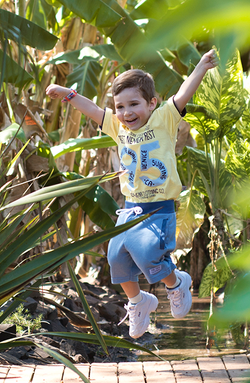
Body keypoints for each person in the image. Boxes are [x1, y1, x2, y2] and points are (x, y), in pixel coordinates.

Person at [45, 49, 219, 338]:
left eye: (134, 104)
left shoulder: (164, 120)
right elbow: (92, 109)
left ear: (152, 103)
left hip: (159, 208)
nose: (127, 113)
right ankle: (139, 303)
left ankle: (176, 284)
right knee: (116, 258)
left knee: (150, 253)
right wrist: (68, 94)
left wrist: (201, 66)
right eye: (120, 106)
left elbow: (183, 93)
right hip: (130, 208)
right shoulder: (118, 127)